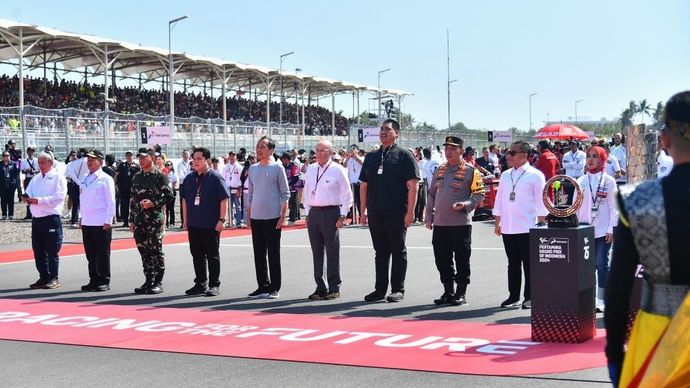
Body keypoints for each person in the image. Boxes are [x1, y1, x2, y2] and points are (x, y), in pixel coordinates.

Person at [605, 91, 690, 387]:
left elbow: (618, 288)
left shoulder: (640, 201)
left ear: (664, 139)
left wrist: (614, 352)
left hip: (660, 338)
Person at [359, 119, 420, 303]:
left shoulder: (404, 156)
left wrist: (410, 212)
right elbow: (364, 186)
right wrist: (363, 211)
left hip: (396, 212)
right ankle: (379, 290)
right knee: (380, 252)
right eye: (382, 129)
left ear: (397, 133)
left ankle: (397, 289)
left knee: (398, 250)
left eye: (388, 129)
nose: (383, 132)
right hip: (376, 212)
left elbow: (413, 186)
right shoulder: (371, 157)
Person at [425, 136, 485, 306]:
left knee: (462, 259)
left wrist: (466, 204)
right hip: (440, 223)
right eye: (447, 148)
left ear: (460, 150)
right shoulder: (440, 169)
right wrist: (429, 216)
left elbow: (479, 194)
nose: (448, 151)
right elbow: (431, 194)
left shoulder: (471, 171)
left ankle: (461, 292)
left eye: (452, 148)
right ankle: (448, 291)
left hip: (460, 224)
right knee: (442, 259)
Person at [493, 140, 547, 309]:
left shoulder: (535, 175)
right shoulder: (505, 174)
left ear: (524, 155)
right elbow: (500, 200)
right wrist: (497, 222)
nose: (509, 155)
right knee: (513, 263)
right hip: (509, 226)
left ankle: (530, 297)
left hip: (527, 226)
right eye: (509, 152)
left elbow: (541, 202)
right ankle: (513, 296)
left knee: (529, 264)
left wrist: (541, 225)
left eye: (512, 153)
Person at [303, 140, 352, 300]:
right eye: (317, 150)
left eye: (323, 150)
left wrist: (343, 214)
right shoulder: (311, 169)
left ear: (331, 152)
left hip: (331, 212)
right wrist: (308, 213)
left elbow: (347, 194)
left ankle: (334, 287)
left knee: (332, 250)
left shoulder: (338, 169)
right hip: (314, 213)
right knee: (316, 251)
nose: (319, 153)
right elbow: (308, 191)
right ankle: (320, 286)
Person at [181, 147, 229, 297]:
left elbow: (224, 199)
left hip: (210, 223)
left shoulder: (215, 177)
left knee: (212, 255)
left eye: (199, 159)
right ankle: (200, 283)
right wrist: (185, 219)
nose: (195, 162)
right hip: (194, 223)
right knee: (196, 254)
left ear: (207, 160)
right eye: (193, 159)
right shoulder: (189, 178)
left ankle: (214, 284)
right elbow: (184, 199)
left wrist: (222, 220)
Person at [246, 137, 290, 299]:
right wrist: (248, 215)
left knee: (273, 253)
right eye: (258, 146)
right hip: (256, 216)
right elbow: (250, 194)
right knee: (258, 253)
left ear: (271, 150)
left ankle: (275, 286)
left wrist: (283, 216)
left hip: (273, 216)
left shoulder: (277, 168)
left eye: (263, 147)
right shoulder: (253, 169)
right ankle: (262, 285)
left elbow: (285, 193)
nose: (259, 150)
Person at [576, 146, 618, 312]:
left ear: (602, 159)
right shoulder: (580, 181)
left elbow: (614, 207)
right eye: (588, 156)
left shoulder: (608, 180)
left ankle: (602, 300)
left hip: (603, 230)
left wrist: (611, 229)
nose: (591, 159)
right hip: (585, 230)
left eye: (595, 156)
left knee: (602, 265)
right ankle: (589, 299)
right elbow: (575, 207)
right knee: (587, 267)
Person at [129, 147, 173, 295]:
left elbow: (170, 196)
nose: (141, 160)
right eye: (139, 158)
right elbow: (133, 199)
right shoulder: (136, 177)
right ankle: (148, 280)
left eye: (144, 157)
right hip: (140, 221)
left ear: (152, 158)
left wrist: (154, 203)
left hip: (154, 221)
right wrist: (132, 219)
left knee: (156, 251)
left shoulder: (160, 176)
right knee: (143, 251)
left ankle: (158, 282)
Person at [24, 152, 67, 289]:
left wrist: (40, 201)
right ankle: (43, 276)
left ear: (50, 163)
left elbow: (59, 197)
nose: (40, 165)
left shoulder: (57, 177)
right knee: (38, 250)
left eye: (43, 162)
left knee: (52, 249)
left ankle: (54, 277)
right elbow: (29, 192)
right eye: (39, 163)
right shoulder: (36, 178)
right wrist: (27, 198)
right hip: (37, 219)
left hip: (50, 218)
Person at [78, 149, 116, 292]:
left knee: (102, 253)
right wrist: (82, 218)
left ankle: (104, 280)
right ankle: (93, 279)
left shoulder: (106, 178)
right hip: (88, 221)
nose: (89, 162)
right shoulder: (85, 178)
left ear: (100, 162)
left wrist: (109, 220)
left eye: (92, 160)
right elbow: (83, 200)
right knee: (90, 254)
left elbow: (111, 201)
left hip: (101, 222)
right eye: (88, 160)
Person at [115, 151, 139, 228]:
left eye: (130, 155)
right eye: (128, 155)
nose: (129, 157)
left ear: (133, 156)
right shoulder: (122, 165)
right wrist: (114, 184)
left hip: (133, 189)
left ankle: (134, 221)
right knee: (124, 205)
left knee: (134, 205)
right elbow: (117, 174)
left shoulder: (136, 166)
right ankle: (125, 221)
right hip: (124, 188)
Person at [66, 148, 89, 227]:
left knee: (75, 204)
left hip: (75, 184)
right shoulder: (89, 161)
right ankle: (86, 219)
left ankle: (74, 221)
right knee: (86, 203)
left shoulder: (72, 163)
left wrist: (78, 182)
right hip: (87, 184)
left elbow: (70, 175)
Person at [223, 151, 245, 228]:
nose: (232, 158)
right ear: (229, 157)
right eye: (231, 156)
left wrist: (239, 189)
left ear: (236, 157)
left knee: (238, 206)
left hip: (236, 190)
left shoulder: (239, 167)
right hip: (228, 190)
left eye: (233, 156)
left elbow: (241, 179)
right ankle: (231, 222)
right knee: (229, 207)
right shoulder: (226, 167)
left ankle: (238, 222)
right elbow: (223, 178)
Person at [281, 153, 301, 225]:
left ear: (287, 159)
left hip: (293, 186)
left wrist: (291, 184)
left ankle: (293, 217)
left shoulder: (293, 165)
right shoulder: (283, 166)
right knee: (288, 202)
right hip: (286, 186)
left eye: (284, 160)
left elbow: (296, 177)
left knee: (293, 202)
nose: (283, 161)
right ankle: (292, 216)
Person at [20, 146, 39, 219]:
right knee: (27, 196)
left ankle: (36, 213)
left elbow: (39, 170)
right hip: (28, 178)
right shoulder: (24, 161)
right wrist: (27, 170)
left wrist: (35, 171)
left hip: (35, 178)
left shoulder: (37, 160)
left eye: (32, 151)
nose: (31, 153)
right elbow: (22, 171)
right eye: (29, 151)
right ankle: (28, 213)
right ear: (27, 152)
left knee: (36, 195)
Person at [346, 145, 363, 224]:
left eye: (354, 149)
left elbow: (362, 162)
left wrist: (355, 155)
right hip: (351, 183)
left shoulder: (362, 158)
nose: (352, 151)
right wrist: (349, 157)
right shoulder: (349, 160)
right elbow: (344, 165)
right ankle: (353, 218)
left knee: (360, 201)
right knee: (352, 202)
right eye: (351, 149)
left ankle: (361, 217)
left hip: (359, 183)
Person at [0, 150, 20, 220]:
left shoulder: (14, 163)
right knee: (3, 200)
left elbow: (18, 171)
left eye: (7, 155)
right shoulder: (0, 164)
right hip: (2, 184)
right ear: (2, 157)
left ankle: (11, 214)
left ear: (10, 156)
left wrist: (18, 161)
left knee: (11, 200)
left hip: (11, 184)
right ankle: (4, 214)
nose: (6, 157)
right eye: (5, 156)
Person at [177, 149, 192, 225]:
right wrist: (189, 175)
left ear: (189, 155)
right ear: (182, 155)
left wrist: (187, 175)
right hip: (183, 185)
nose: (186, 155)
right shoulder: (180, 165)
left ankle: (191, 221)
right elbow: (181, 176)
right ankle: (183, 222)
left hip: (191, 185)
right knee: (182, 203)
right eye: (184, 154)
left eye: (187, 154)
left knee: (192, 203)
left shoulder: (192, 163)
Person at [164, 161, 178, 227]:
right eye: (166, 165)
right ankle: (166, 222)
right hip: (165, 192)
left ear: (171, 166)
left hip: (172, 191)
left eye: (169, 165)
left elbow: (174, 184)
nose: (167, 166)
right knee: (166, 208)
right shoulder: (163, 173)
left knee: (171, 208)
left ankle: (172, 222)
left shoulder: (173, 174)